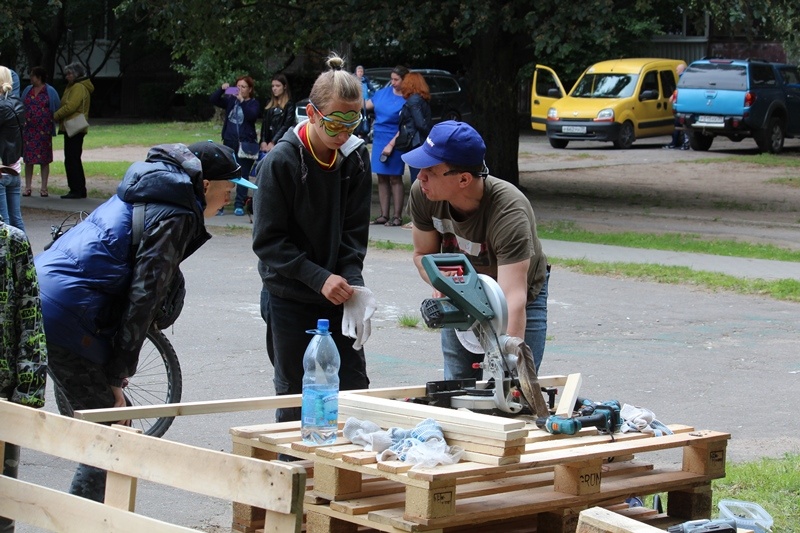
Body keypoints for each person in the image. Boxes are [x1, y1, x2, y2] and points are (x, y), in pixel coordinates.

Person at [35, 141, 256, 502]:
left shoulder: (156, 190)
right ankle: (85, 522)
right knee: (110, 434)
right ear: (204, 186)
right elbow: (144, 297)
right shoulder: (176, 212)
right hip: (66, 312)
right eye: (228, 186)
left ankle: (93, 519)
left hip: (56, 297)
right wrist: (116, 374)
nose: (232, 194)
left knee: (106, 428)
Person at [252, 53, 376, 424]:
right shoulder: (282, 162)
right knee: (295, 395)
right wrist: (319, 278)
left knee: (354, 388)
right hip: (289, 295)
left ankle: (345, 475)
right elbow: (268, 242)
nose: (344, 133)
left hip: (338, 292)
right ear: (312, 113)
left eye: (353, 122)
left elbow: (355, 235)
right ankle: (292, 474)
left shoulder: (355, 159)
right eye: (336, 121)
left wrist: (354, 285)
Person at [403, 121, 550, 379]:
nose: (420, 176)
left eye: (431, 170)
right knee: (457, 384)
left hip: (517, 291)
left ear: (463, 179)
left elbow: (512, 300)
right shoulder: (423, 194)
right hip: (462, 291)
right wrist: (443, 283)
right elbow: (422, 255)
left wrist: (508, 371)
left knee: (516, 385)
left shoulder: (509, 211)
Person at [0, 216, 47, 533]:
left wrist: (27, 395)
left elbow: (30, 320)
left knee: (4, 501)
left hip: (3, 400)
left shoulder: (11, 242)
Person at [210, 75, 260, 216]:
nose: (240, 90)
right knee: (226, 174)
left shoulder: (253, 103)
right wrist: (222, 89)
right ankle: (221, 205)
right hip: (229, 141)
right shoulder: (231, 101)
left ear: (250, 89)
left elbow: (252, 116)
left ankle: (239, 204)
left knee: (242, 175)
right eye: (237, 87)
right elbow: (213, 100)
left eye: (243, 87)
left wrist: (242, 101)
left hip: (245, 144)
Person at [365, 65, 408, 227]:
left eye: (397, 79)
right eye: (392, 79)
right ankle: (384, 214)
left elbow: (405, 125)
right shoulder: (382, 93)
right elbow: (366, 105)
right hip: (379, 137)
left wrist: (392, 144)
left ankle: (397, 216)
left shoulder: (407, 98)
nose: (393, 82)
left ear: (405, 80)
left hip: (396, 138)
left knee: (395, 177)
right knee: (381, 177)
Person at [53, 62, 93, 199]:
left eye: (70, 73)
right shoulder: (75, 86)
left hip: (74, 126)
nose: (67, 76)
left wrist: (56, 116)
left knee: (72, 159)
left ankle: (76, 189)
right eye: (67, 74)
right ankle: (79, 188)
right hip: (72, 126)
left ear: (77, 74)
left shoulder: (78, 87)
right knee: (73, 158)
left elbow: (71, 106)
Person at [21, 66, 60, 197]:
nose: (30, 78)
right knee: (28, 160)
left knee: (44, 159)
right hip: (29, 130)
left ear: (39, 77)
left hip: (44, 130)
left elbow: (57, 106)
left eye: (32, 75)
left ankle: (44, 187)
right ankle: (27, 187)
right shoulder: (28, 90)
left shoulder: (50, 91)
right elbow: (21, 106)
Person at [0, 66, 26, 232]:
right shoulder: (17, 104)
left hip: (1, 171)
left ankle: (7, 258)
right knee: (16, 221)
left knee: (4, 225)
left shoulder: (1, 107)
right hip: (14, 169)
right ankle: (26, 257)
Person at [395, 71, 432, 185]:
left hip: (416, 143)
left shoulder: (413, 100)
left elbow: (420, 123)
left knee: (417, 178)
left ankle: (418, 202)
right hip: (419, 142)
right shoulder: (420, 100)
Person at [259, 73, 295, 155]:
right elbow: (264, 124)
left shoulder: (289, 105)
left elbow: (286, 126)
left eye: (278, 86)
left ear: (284, 86)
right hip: (267, 144)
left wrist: (273, 141)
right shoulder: (269, 104)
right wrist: (263, 141)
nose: (274, 88)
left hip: (280, 142)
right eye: (273, 86)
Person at [664, 63, 689, 150]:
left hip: (682, 106)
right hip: (682, 105)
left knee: (681, 124)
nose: (676, 71)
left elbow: (679, 90)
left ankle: (682, 143)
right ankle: (677, 142)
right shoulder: (685, 77)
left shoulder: (683, 78)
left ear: (681, 70)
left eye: (677, 69)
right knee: (679, 124)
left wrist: (673, 97)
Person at [354, 65, 372, 141]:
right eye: (359, 71)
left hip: (365, 104)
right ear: (356, 72)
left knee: (365, 119)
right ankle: (356, 134)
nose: (360, 73)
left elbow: (372, 90)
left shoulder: (366, 81)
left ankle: (364, 133)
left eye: (361, 71)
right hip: (356, 103)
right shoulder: (353, 81)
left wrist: (370, 99)